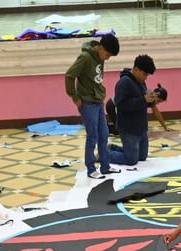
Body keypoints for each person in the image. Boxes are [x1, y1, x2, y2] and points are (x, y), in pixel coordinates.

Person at [64, 34, 121, 180]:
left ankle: (105, 166)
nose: (107, 58)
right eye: (107, 54)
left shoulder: (99, 57)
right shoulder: (85, 57)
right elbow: (69, 75)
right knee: (92, 136)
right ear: (100, 48)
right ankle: (91, 168)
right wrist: (75, 97)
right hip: (87, 103)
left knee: (104, 134)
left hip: (98, 101)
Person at [108, 55, 169, 167]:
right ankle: (105, 154)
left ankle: (112, 148)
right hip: (128, 128)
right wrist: (143, 100)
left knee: (142, 157)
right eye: (145, 74)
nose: (146, 78)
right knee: (131, 160)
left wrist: (150, 100)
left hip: (141, 128)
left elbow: (142, 101)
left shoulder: (141, 81)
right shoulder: (124, 82)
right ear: (136, 69)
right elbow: (121, 104)